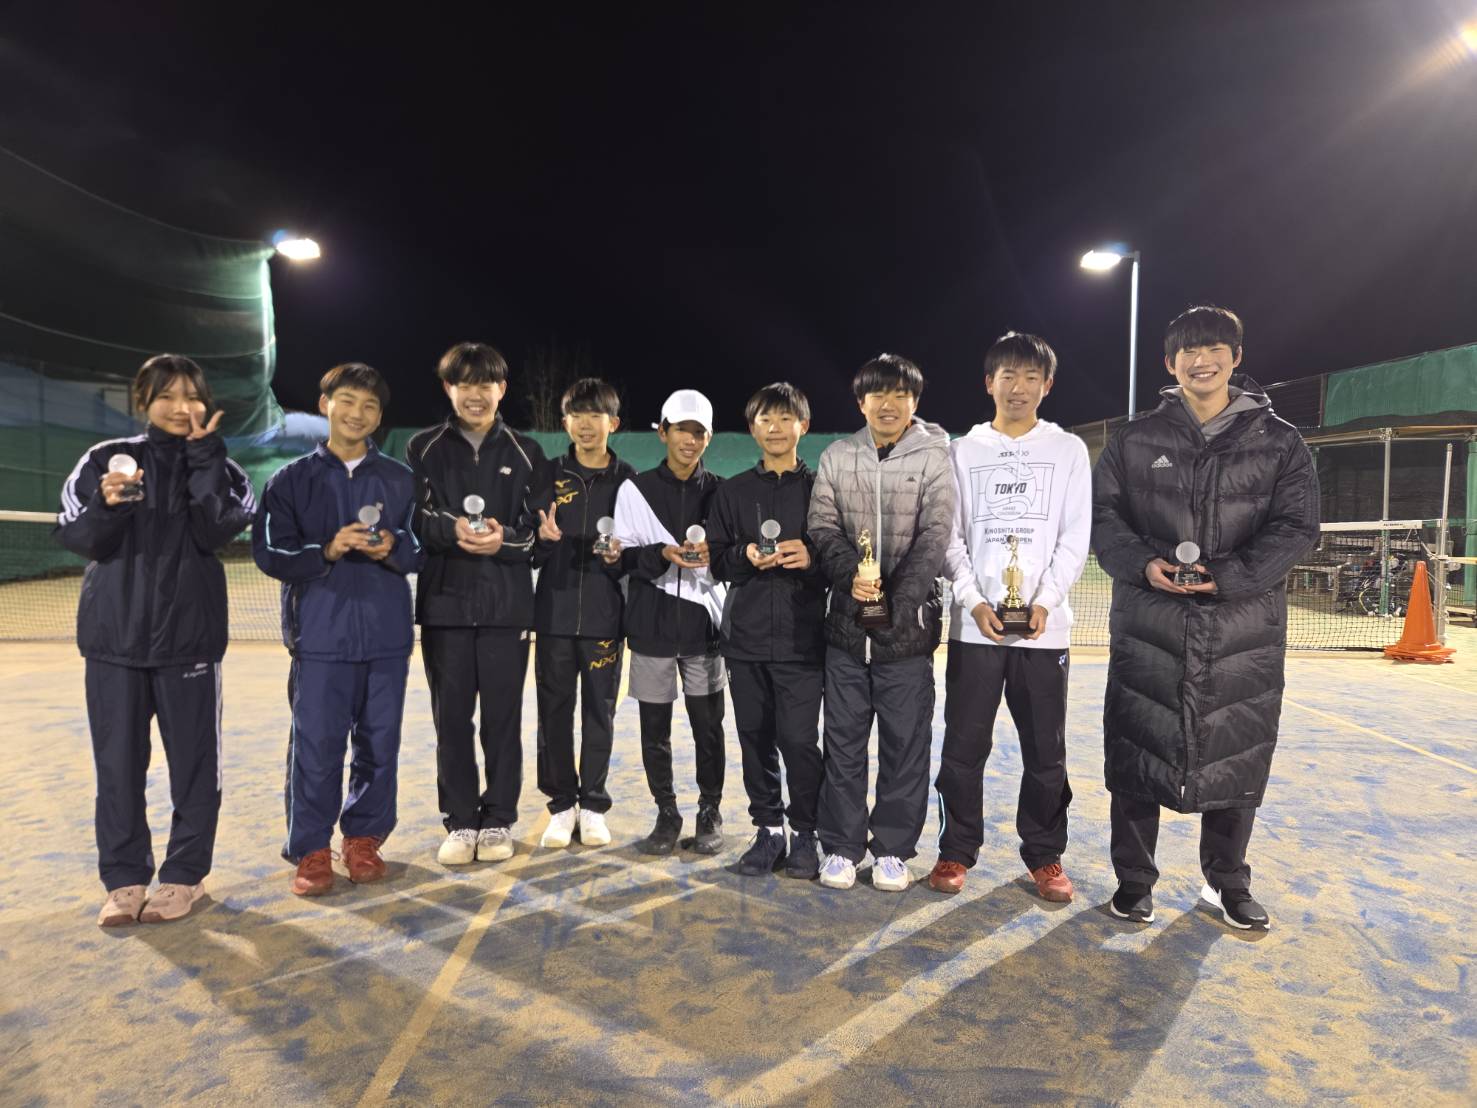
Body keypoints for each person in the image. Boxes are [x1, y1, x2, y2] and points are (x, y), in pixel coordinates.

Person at [1092, 306, 1319, 929]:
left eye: (1214, 348)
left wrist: (1233, 576)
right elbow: (1103, 518)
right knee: (1137, 749)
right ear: (1170, 363)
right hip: (1150, 625)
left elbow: (1298, 527)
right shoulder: (1134, 439)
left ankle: (1226, 883)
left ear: (1235, 357)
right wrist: (1143, 565)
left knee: (1236, 753)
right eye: (1188, 351)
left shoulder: (1280, 441)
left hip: (1242, 631)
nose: (1202, 360)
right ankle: (1133, 881)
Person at [56, 354, 255, 926]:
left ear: (206, 404)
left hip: (189, 643)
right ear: (143, 401)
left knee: (194, 768)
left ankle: (184, 877)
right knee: (117, 768)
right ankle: (124, 880)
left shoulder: (224, 466)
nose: (180, 407)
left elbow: (219, 528)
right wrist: (107, 503)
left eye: (191, 395)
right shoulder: (104, 459)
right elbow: (80, 537)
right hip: (113, 644)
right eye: (166, 395)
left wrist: (204, 460)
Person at [930, 332, 1091, 900]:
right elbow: (949, 538)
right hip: (974, 630)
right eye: (1008, 376)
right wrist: (972, 601)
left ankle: (1044, 855)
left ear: (1047, 385)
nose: (1018, 387)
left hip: (1044, 635)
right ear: (988, 383)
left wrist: (1043, 601)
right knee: (962, 749)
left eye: (1030, 378)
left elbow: (1075, 536)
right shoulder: (961, 452)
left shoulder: (1068, 450)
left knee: (1045, 753)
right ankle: (956, 850)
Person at [253, 363, 421, 896]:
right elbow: (270, 552)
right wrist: (325, 550)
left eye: (370, 406)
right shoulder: (290, 480)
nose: (357, 413)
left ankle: (364, 839)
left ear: (379, 416)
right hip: (320, 640)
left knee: (379, 745)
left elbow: (422, 547)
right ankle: (310, 848)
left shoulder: (400, 479)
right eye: (347, 401)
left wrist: (394, 547)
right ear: (325, 404)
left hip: (386, 638)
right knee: (316, 748)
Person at [807, 354, 956, 891]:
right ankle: (841, 847)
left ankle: (892, 849)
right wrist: (853, 577)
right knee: (843, 744)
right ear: (861, 402)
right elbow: (822, 526)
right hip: (846, 632)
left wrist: (897, 604)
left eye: (900, 394)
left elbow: (936, 534)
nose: (888, 404)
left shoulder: (936, 456)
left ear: (915, 401)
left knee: (905, 747)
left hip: (907, 635)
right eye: (878, 394)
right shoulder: (837, 455)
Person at [405, 342, 547, 866]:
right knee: (451, 721)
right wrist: (451, 529)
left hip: (507, 609)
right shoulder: (422, 447)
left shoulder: (527, 451)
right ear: (449, 389)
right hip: (444, 607)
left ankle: (499, 819)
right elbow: (414, 517)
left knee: (502, 721)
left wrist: (504, 539)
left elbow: (537, 531)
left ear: (501, 389)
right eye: (464, 384)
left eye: (485, 384)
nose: (476, 394)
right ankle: (461, 821)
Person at [707, 383, 828, 879]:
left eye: (784, 418)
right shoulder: (732, 492)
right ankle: (768, 830)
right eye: (765, 419)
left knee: (799, 742)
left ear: (804, 425)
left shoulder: (822, 489)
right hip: (746, 641)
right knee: (754, 739)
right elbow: (716, 560)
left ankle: (806, 833)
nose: (775, 428)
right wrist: (744, 555)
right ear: (752, 428)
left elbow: (841, 557)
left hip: (803, 641)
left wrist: (812, 558)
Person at [611, 389, 728, 856]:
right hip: (651, 629)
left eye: (699, 432)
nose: (690, 439)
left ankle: (710, 811)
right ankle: (666, 812)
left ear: (709, 438)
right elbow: (619, 558)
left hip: (704, 631)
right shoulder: (634, 490)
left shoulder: (722, 491)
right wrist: (660, 554)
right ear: (662, 432)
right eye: (681, 429)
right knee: (654, 732)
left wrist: (714, 555)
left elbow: (729, 558)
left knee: (708, 729)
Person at [529, 378, 635, 850]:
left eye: (596, 415)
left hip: (604, 619)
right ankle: (560, 806)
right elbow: (527, 548)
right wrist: (542, 541)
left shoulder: (629, 481)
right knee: (553, 714)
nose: (586, 424)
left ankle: (592, 806)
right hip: (553, 617)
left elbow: (640, 553)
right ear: (565, 422)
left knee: (600, 714)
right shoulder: (546, 475)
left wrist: (619, 558)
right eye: (577, 415)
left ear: (614, 423)